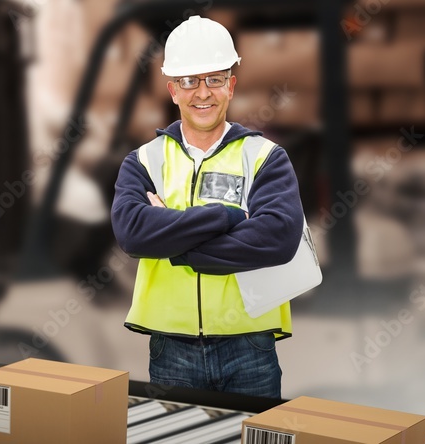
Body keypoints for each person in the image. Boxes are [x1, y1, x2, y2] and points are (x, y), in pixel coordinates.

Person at [110, 16, 304, 398]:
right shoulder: (143, 161)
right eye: (189, 81)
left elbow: (278, 238)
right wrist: (228, 217)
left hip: (249, 344)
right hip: (172, 348)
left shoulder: (266, 157)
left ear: (230, 86)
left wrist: (172, 239)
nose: (202, 93)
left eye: (214, 79)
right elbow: (133, 234)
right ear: (172, 91)